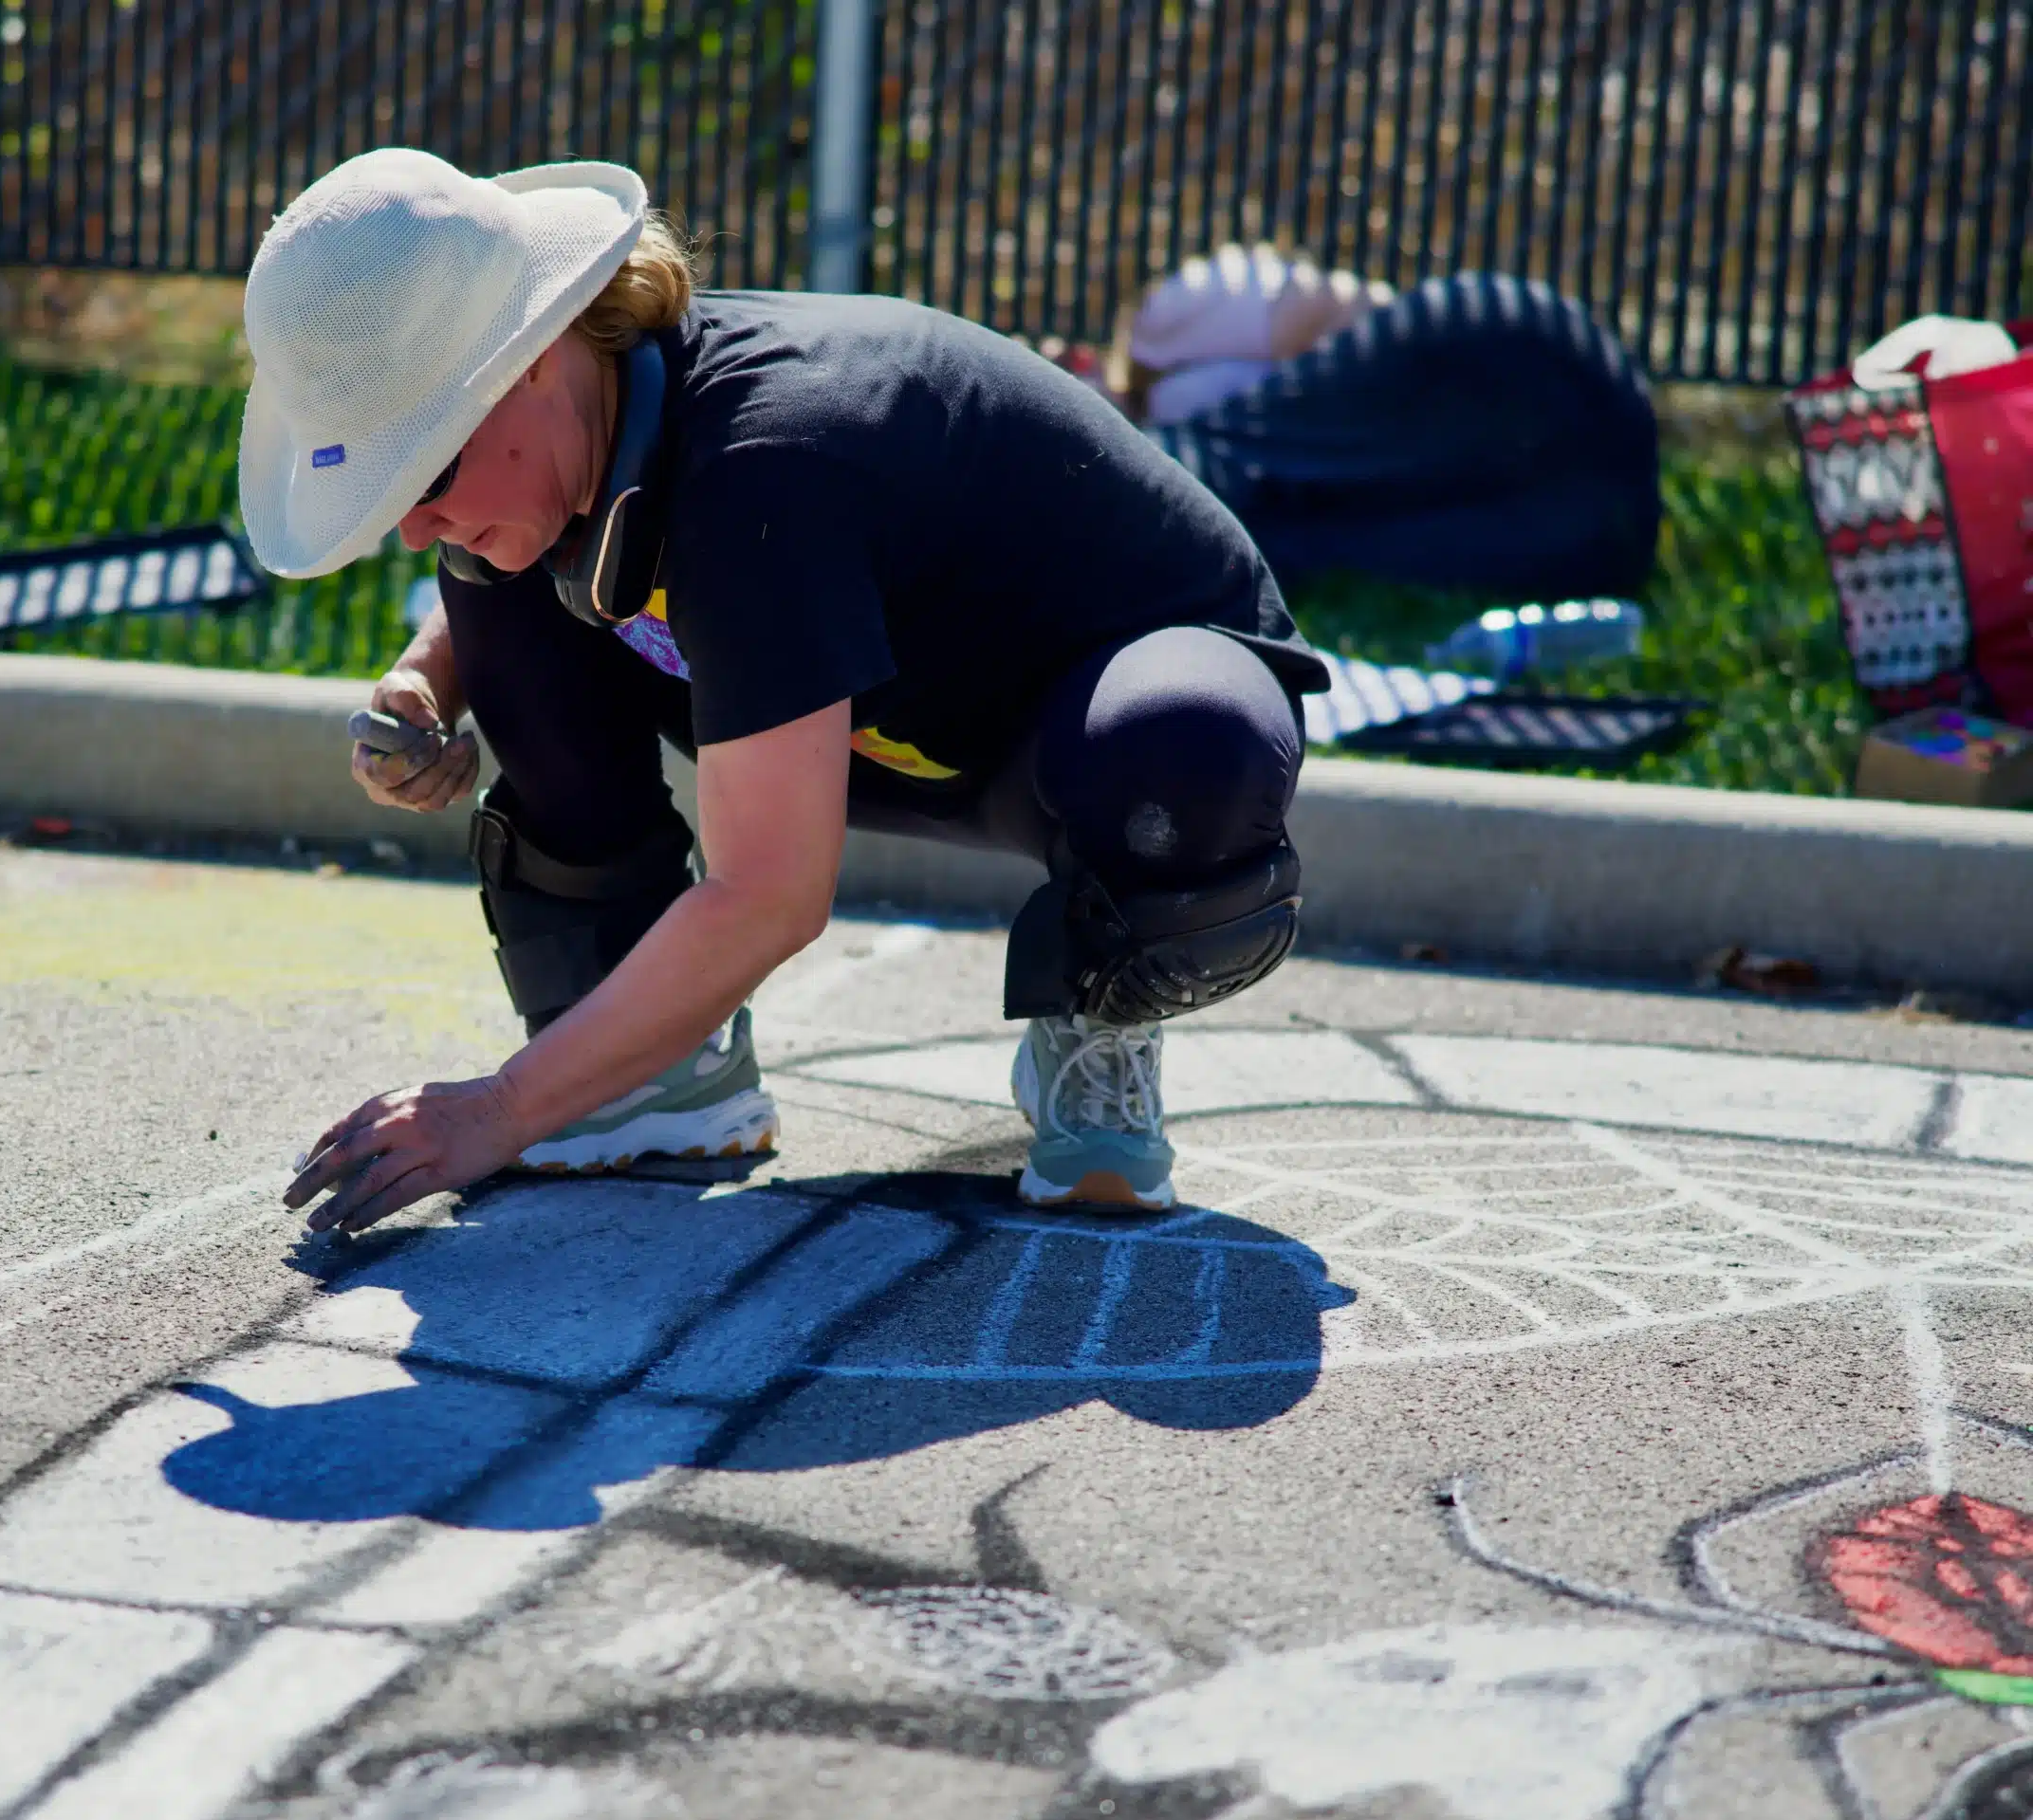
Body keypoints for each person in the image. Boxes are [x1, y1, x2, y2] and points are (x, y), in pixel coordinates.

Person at [250, 151, 1325, 1238]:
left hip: (1084, 713)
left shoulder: (769, 458)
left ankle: (1101, 1022)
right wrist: (428, 679)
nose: (411, 523)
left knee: (1183, 750)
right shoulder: (608, 410)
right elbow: (528, 550)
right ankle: (667, 1070)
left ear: (531, 356)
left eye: (423, 470)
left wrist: (495, 1110)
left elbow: (770, 894)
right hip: (881, 704)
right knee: (496, 562)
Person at [1123, 244, 1662, 600]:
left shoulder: (1165, 325)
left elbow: (1330, 308)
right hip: (1578, 525)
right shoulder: (1205, 430)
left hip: (1524, 375)